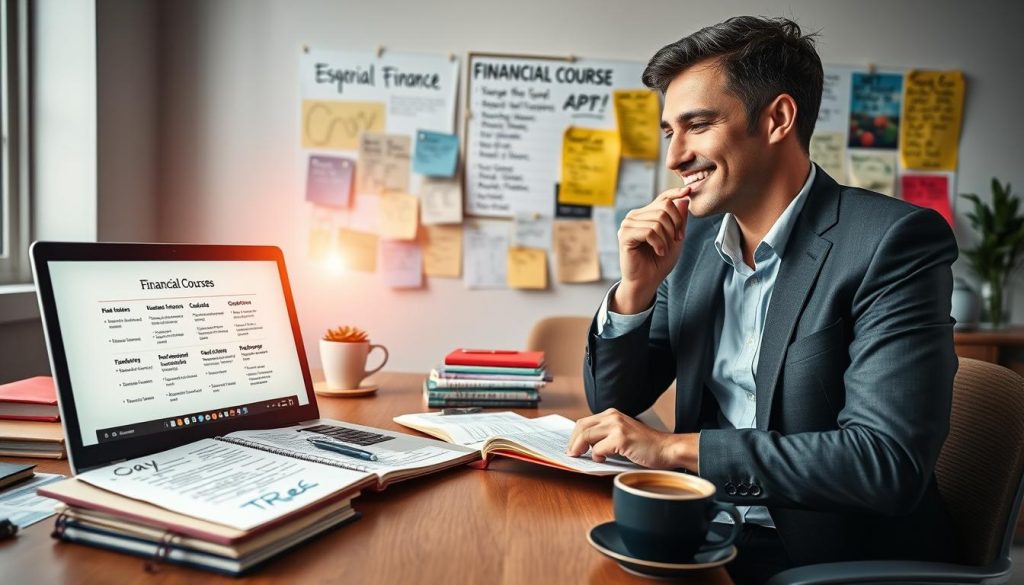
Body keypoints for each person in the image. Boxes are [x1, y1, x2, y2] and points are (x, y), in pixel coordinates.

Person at [567, 16, 957, 584]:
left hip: (825, 559)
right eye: (668, 132)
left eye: (696, 126)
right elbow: (614, 400)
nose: (675, 157)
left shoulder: (893, 242)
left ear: (776, 119)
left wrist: (677, 450)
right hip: (704, 529)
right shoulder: (694, 241)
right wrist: (636, 290)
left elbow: (884, 464)